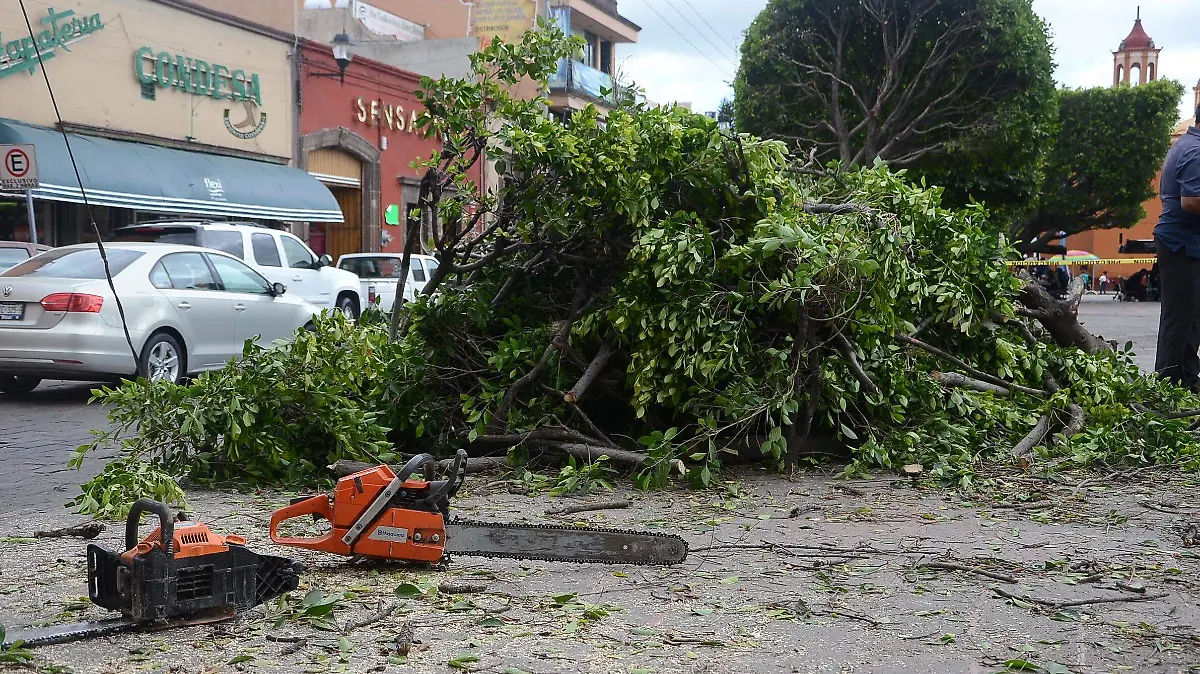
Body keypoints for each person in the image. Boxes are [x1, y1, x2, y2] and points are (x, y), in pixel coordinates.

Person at [1153, 103, 1200, 389]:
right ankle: (1166, 388)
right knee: (1179, 321)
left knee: (1191, 320)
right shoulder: (1195, 151)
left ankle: (1188, 382)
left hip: (1187, 245)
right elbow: (1192, 201)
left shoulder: (1188, 144)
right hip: (1180, 246)